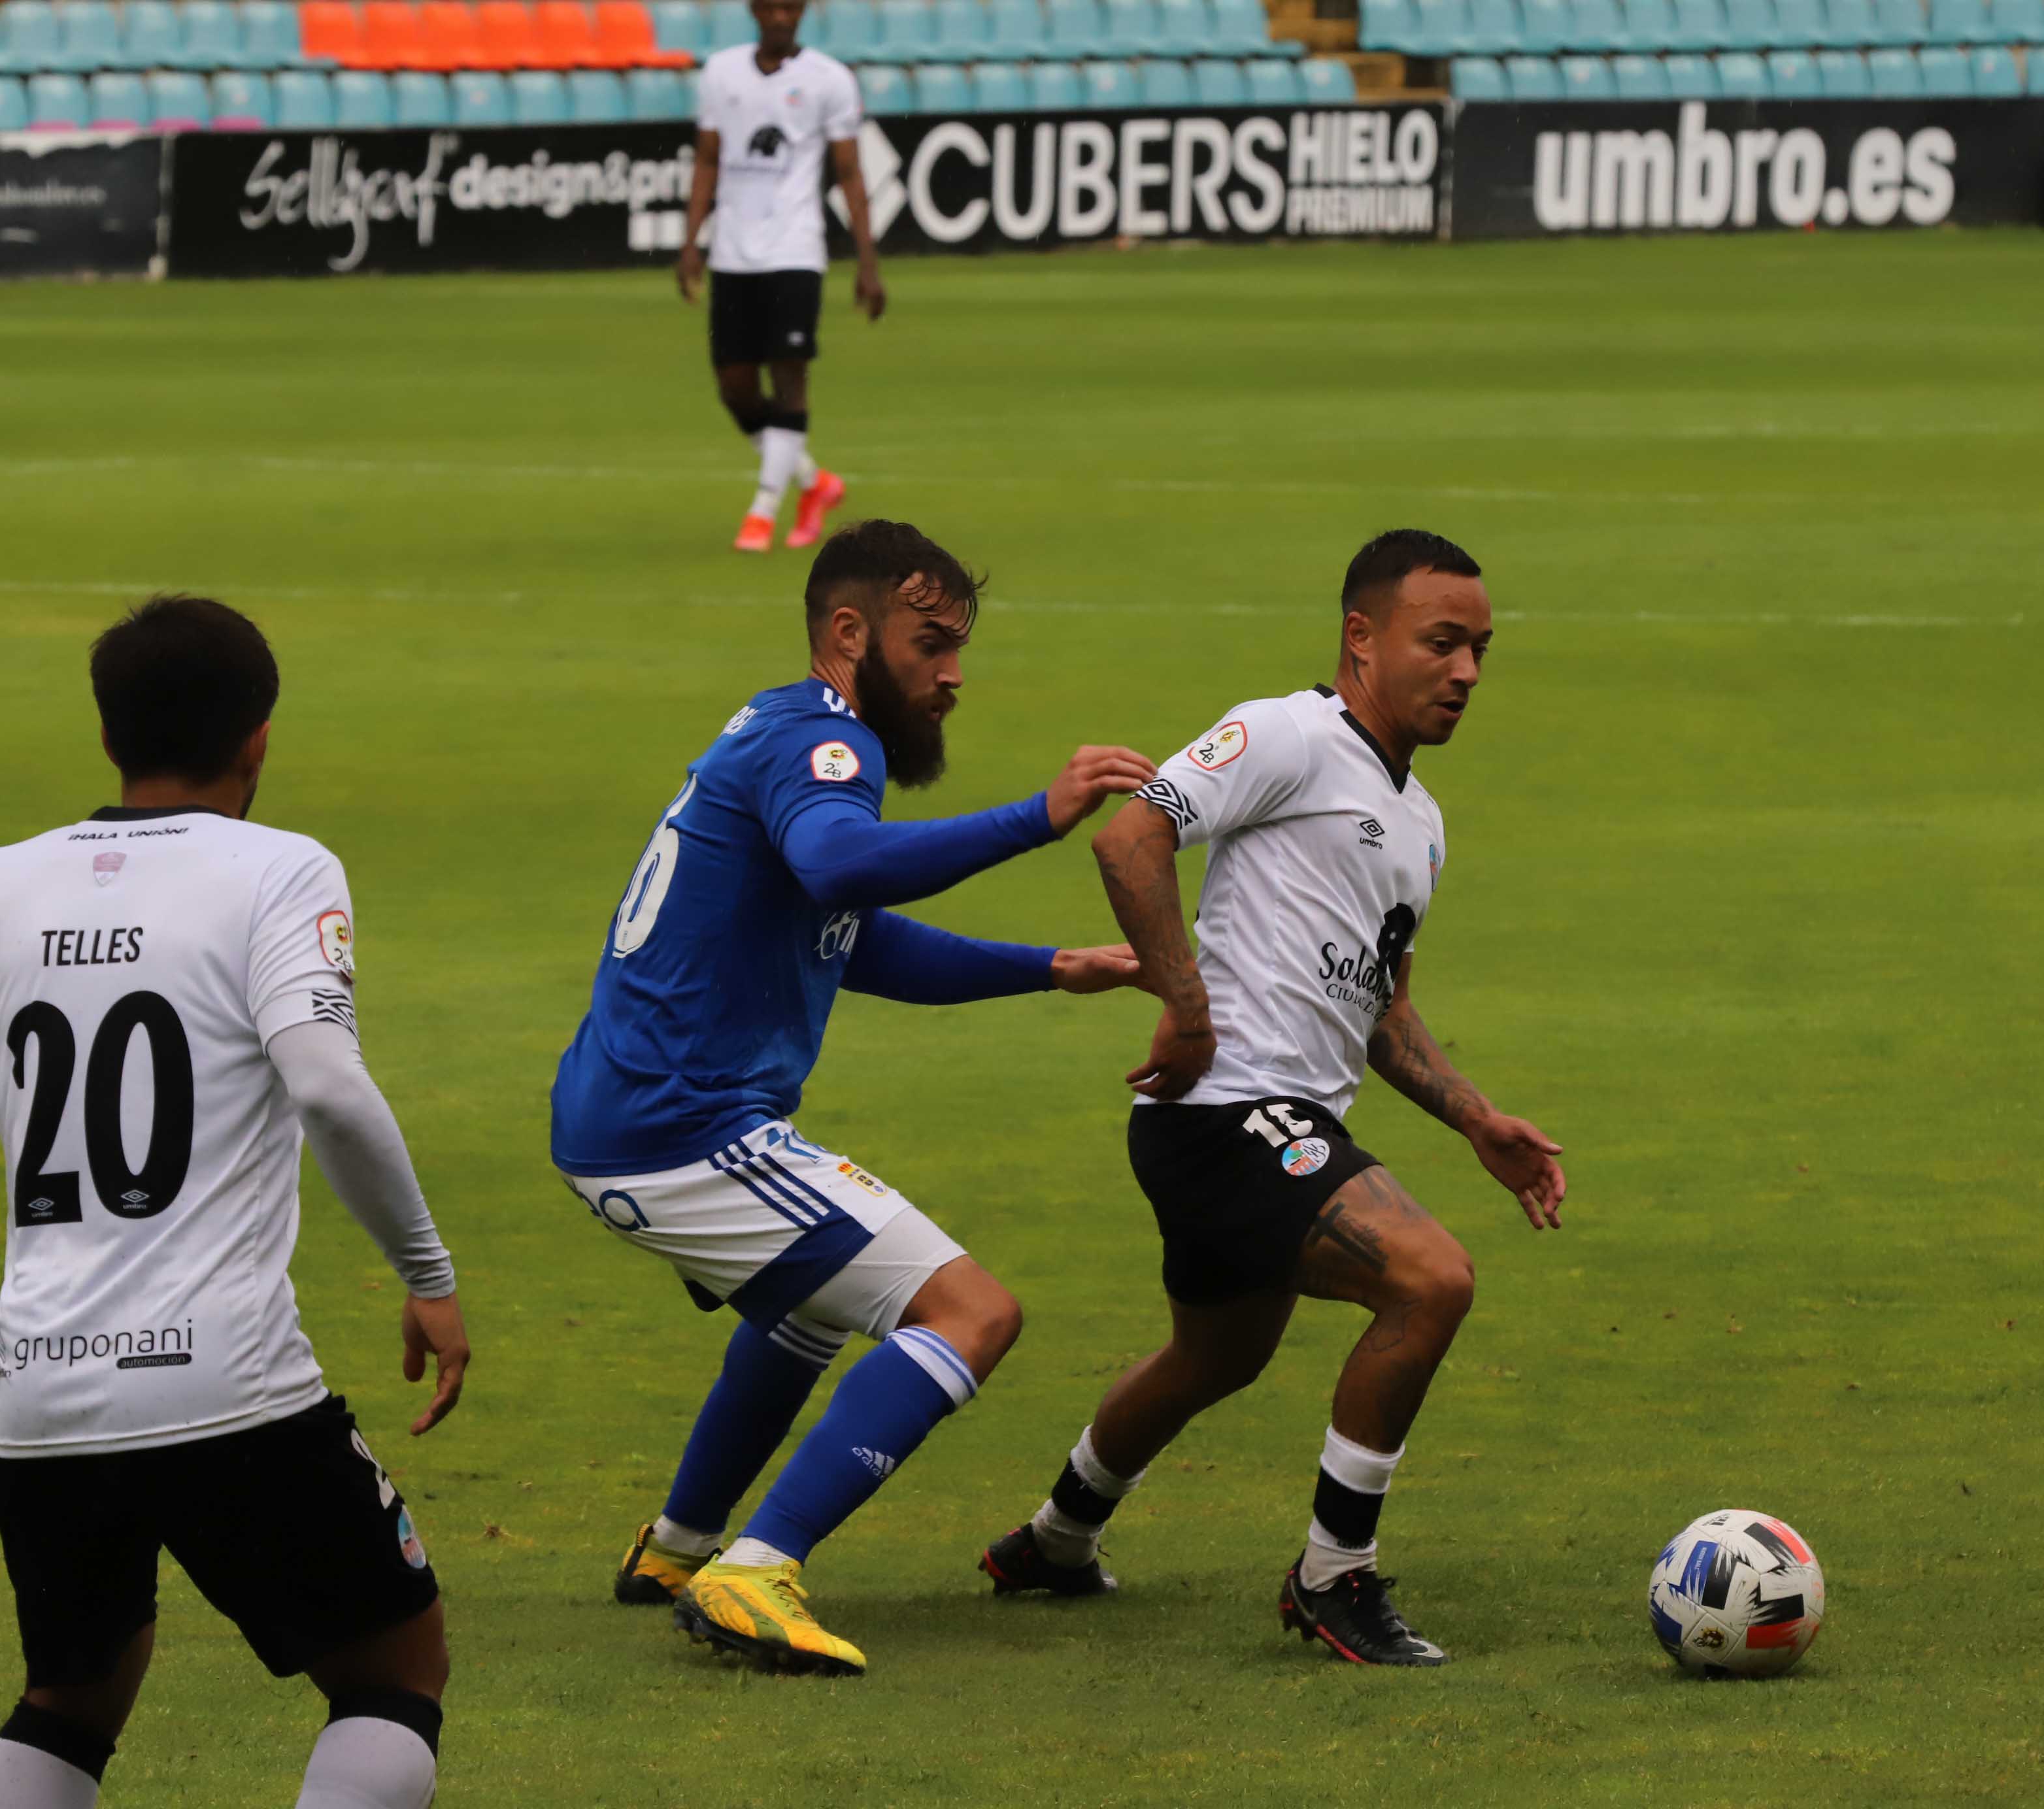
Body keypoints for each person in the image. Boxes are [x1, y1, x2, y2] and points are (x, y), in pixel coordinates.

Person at [552, 519, 1159, 1678]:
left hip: (622, 1118)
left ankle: (680, 1544)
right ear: (849, 632)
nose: (952, 674)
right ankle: (757, 1566)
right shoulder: (830, 746)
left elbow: (852, 937)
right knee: (971, 1312)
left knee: (815, 1307)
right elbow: (840, 865)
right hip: (679, 1124)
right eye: (931, 643)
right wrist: (1038, 816)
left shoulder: (779, 728)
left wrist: (1048, 967)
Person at [979, 529, 1568, 1668]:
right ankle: (1331, 1576)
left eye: (1482, 650)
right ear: (1362, 636)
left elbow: (1382, 1008)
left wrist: (1477, 1115)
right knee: (1431, 1278)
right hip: (1224, 1113)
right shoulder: (1288, 732)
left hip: (1285, 1120)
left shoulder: (1422, 823)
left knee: (1216, 1356)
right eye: (1441, 642)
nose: (1467, 672)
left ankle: (1054, 1538)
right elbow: (1131, 836)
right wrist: (1189, 1005)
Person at [0, 595, 470, 1809]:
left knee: (72, 1693)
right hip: (227, 1386)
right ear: (258, 736)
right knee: (396, 1666)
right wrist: (427, 1272)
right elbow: (330, 1089)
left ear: (108, 739)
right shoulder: (278, 868)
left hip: (44, 1398)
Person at [677, 0, 880, 554]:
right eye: (773, 5)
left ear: (805, 11)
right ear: (754, 9)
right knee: (734, 385)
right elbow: (708, 160)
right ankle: (814, 483)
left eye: (792, 6)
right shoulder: (721, 72)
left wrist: (867, 260)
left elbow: (848, 171)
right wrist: (691, 240)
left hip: (795, 248)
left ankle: (763, 510)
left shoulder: (829, 80)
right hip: (732, 252)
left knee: (790, 376)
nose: (782, 15)